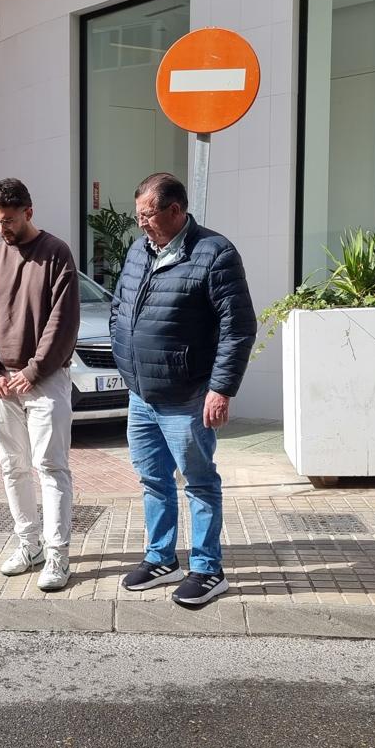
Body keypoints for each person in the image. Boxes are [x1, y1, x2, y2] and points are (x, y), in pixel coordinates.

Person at [110, 172, 256, 607]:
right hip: (141, 393)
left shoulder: (214, 253)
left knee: (198, 482)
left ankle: (208, 569)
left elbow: (238, 327)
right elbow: (121, 302)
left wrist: (221, 388)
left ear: (176, 210)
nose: (141, 225)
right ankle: (161, 558)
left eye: (148, 215)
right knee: (152, 479)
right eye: (138, 216)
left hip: (187, 395)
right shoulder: (140, 249)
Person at [0, 178, 81, 591]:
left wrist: (32, 372)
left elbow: (63, 324)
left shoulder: (56, 254)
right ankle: (28, 545)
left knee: (52, 467)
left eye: (9, 220)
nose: (3, 229)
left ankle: (57, 555)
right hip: (1, 384)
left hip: (45, 380)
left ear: (29, 212)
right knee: (12, 467)